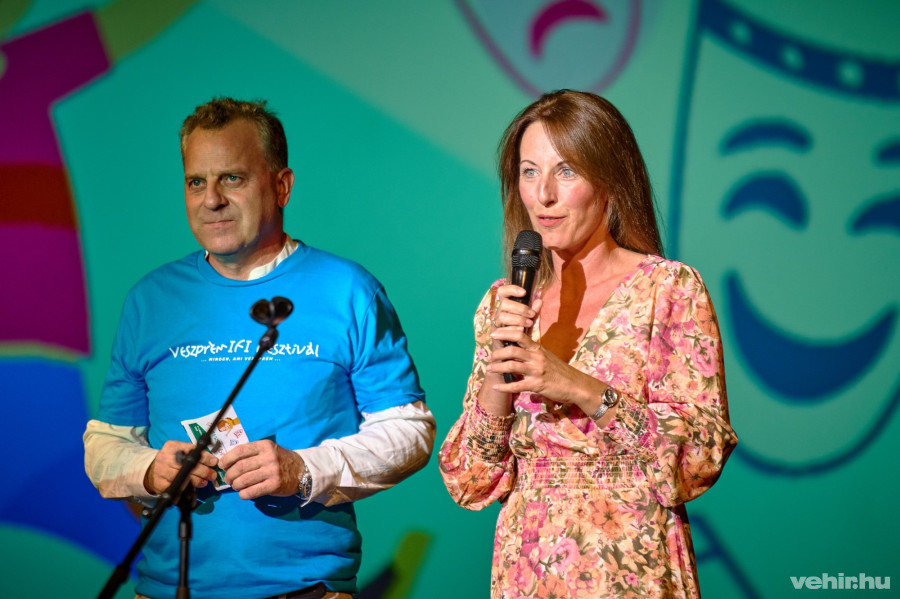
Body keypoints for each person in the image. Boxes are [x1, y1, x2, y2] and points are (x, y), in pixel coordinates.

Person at [83, 97, 435, 599]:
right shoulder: (150, 300)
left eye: (233, 178)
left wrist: (304, 470)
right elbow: (105, 445)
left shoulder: (347, 290)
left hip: (307, 589)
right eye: (196, 182)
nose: (211, 200)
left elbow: (409, 430)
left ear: (282, 185)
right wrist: (149, 470)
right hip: (165, 588)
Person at [439, 90, 737, 598]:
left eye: (566, 171)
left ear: (610, 180)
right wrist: (496, 374)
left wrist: (578, 387)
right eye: (529, 172)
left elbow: (699, 457)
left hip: (630, 568)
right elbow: (471, 479)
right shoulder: (503, 303)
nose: (543, 195)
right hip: (526, 571)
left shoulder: (668, 289)